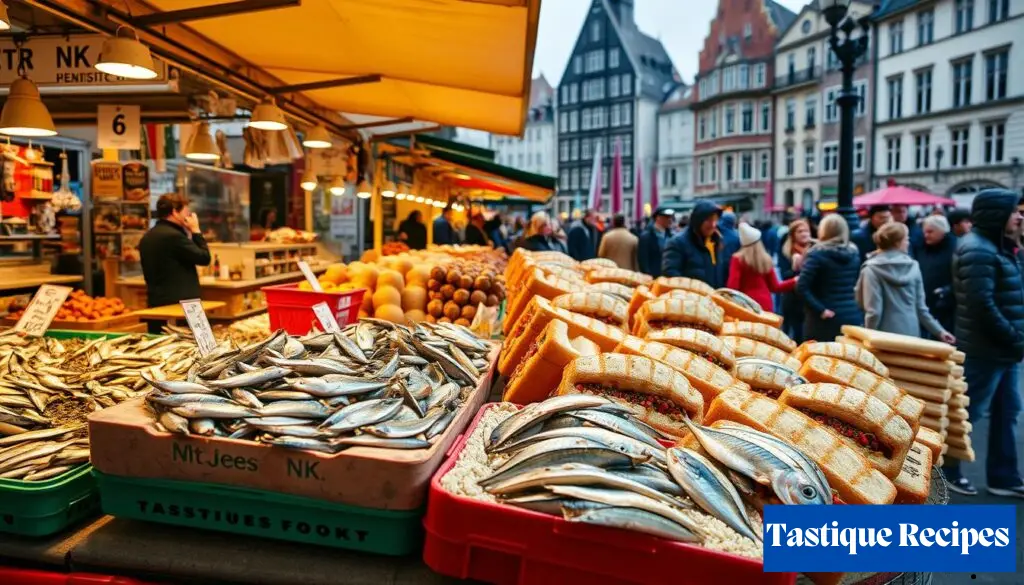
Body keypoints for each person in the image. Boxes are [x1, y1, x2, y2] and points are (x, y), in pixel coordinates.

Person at [941, 189, 1024, 498]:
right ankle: (947, 470)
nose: (1020, 216)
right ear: (996, 214)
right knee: (968, 414)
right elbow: (981, 305)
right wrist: (1015, 339)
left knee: (1007, 412)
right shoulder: (980, 250)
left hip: (1002, 350)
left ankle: (1003, 477)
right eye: (1015, 211)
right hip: (985, 350)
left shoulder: (996, 247)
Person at [854, 222, 955, 341]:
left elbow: (874, 311)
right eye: (906, 239)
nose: (908, 242)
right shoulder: (914, 266)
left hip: (882, 336)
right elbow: (921, 308)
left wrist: (867, 336)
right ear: (897, 243)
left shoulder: (871, 269)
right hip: (911, 334)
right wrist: (940, 331)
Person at [139, 195, 211, 331]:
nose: (189, 216)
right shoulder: (174, 236)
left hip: (156, 305)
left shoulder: (148, 236)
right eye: (186, 212)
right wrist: (196, 231)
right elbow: (204, 258)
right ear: (174, 212)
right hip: (182, 309)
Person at [796, 214, 863, 342]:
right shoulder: (854, 253)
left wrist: (820, 310)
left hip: (823, 319)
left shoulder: (816, 254)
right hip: (851, 314)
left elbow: (801, 286)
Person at [662, 201, 735, 288]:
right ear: (698, 221)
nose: (713, 224)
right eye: (709, 220)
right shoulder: (677, 243)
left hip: (714, 298)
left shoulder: (717, 241)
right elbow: (671, 275)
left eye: (715, 220)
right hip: (692, 299)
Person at [727, 223, 796, 311]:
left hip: (746, 304)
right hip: (766, 303)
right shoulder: (766, 259)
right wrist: (794, 281)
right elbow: (775, 287)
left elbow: (733, 286)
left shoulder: (737, 259)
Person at [913, 215, 957, 335]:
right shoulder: (921, 247)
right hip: (926, 304)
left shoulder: (956, 248)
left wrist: (946, 291)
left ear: (943, 231)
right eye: (925, 232)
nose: (926, 235)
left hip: (947, 306)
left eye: (930, 232)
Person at [778, 218, 813, 343]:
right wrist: (795, 269)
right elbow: (784, 275)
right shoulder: (787, 251)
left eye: (806, 231)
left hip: (810, 299)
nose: (804, 234)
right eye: (800, 231)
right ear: (793, 235)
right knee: (793, 333)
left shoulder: (815, 250)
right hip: (792, 299)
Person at [638, 206, 675, 277]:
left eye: (671, 217)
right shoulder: (646, 237)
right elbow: (643, 261)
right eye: (667, 217)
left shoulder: (671, 236)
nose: (670, 220)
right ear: (658, 218)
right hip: (653, 277)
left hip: (668, 277)